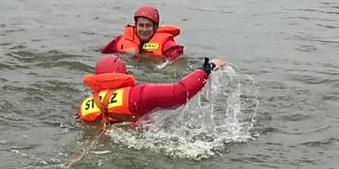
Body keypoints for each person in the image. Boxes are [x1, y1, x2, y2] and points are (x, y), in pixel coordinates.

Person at [78, 54, 229, 125]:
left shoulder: (85, 107)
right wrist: (207, 69)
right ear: (125, 74)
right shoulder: (137, 95)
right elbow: (180, 92)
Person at [100, 5, 184, 60]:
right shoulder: (120, 41)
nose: (144, 30)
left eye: (148, 26)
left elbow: (177, 57)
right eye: (141, 25)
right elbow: (102, 54)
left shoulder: (166, 44)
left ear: (155, 27)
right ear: (135, 26)